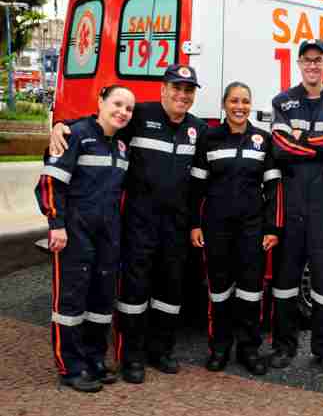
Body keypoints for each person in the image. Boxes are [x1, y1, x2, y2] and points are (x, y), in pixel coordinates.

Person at [49, 64, 208, 384]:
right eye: (176, 87)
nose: (182, 94)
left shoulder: (198, 129)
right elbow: (102, 124)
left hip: (175, 226)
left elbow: (198, 185)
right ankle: (130, 357)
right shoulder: (140, 114)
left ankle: (159, 351)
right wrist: (63, 125)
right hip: (138, 221)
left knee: (170, 292)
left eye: (188, 90)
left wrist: (193, 223)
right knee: (134, 292)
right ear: (163, 89)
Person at [36, 85, 135, 392]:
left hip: (108, 235)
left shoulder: (120, 147)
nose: (122, 112)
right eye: (117, 104)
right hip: (74, 233)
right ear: (101, 102)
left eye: (128, 109)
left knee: (101, 300)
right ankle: (71, 367)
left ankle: (94, 359)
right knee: (70, 301)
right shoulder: (75, 134)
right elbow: (50, 181)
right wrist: (56, 224)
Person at [269, 38, 323, 373]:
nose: (313, 66)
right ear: (299, 64)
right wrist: (321, 146)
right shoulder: (283, 101)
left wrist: (302, 141)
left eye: (318, 60)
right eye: (307, 60)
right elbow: (280, 147)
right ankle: (283, 346)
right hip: (292, 206)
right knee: (285, 282)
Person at [189, 82, 282, 375]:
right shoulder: (209, 137)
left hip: (252, 228)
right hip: (216, 227)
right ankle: (219, 348)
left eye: (244, 101)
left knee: (251, 291)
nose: (239, 106)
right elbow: (196, 187)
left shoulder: (262, 139)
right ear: (225, 104)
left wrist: (272, 228)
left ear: (250, 105)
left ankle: (249, 349)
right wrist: (194, 224)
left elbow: (274, 187)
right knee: (219, 291)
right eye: (234, 101)